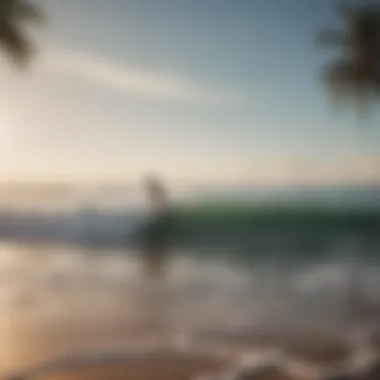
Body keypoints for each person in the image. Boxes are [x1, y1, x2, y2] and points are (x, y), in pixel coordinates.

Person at [140, 175, 170, 278]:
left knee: (154, 239)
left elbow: (160, 206)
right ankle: (154, 258)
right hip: (158, 218)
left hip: (158, 218)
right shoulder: (157, 190)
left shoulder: (157, 190)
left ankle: (154, 258)